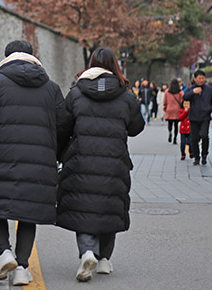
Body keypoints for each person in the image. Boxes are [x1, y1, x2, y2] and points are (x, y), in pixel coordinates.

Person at [0, 40, 66, 285]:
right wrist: (54, 152)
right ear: (32, 57)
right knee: (29, 211)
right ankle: (23, 267)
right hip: (39, 160)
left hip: (0, 155)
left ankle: (4, 252)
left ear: (7, 57)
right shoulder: (51, 88)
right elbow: (63, 124)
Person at [56, 47, 145, 282]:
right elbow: (137, 128)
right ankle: (104, 259)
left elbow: (63, 127)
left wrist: (59, 154)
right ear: (115, 65)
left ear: (91, 63)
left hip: (81, 159)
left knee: (83, 206)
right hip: (114, 160)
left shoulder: (76, 94)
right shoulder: (126, 95)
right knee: (109, 205)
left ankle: (87, 251)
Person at [183, 70, 212, 166]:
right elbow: (185, 97)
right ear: (195, 79)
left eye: (203, 78)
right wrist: (193, 92)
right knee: (194, 139)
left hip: (205, 117)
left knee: (204, 135)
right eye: (199, 78)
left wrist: (210, 109)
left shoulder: (209, 89)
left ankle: (204, 155)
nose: (201, 80)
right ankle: (196, 157)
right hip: (194, 117)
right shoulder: (190, 89)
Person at [163, 79, 183, 144]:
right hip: (177, 110)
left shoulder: (167, 92)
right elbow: (182, 101)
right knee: (176, 125)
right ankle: (175, 138)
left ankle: (170, 132)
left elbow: (165, 101)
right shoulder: (180, 92)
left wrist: (165, 107)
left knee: (170, 123)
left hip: (169, 109)